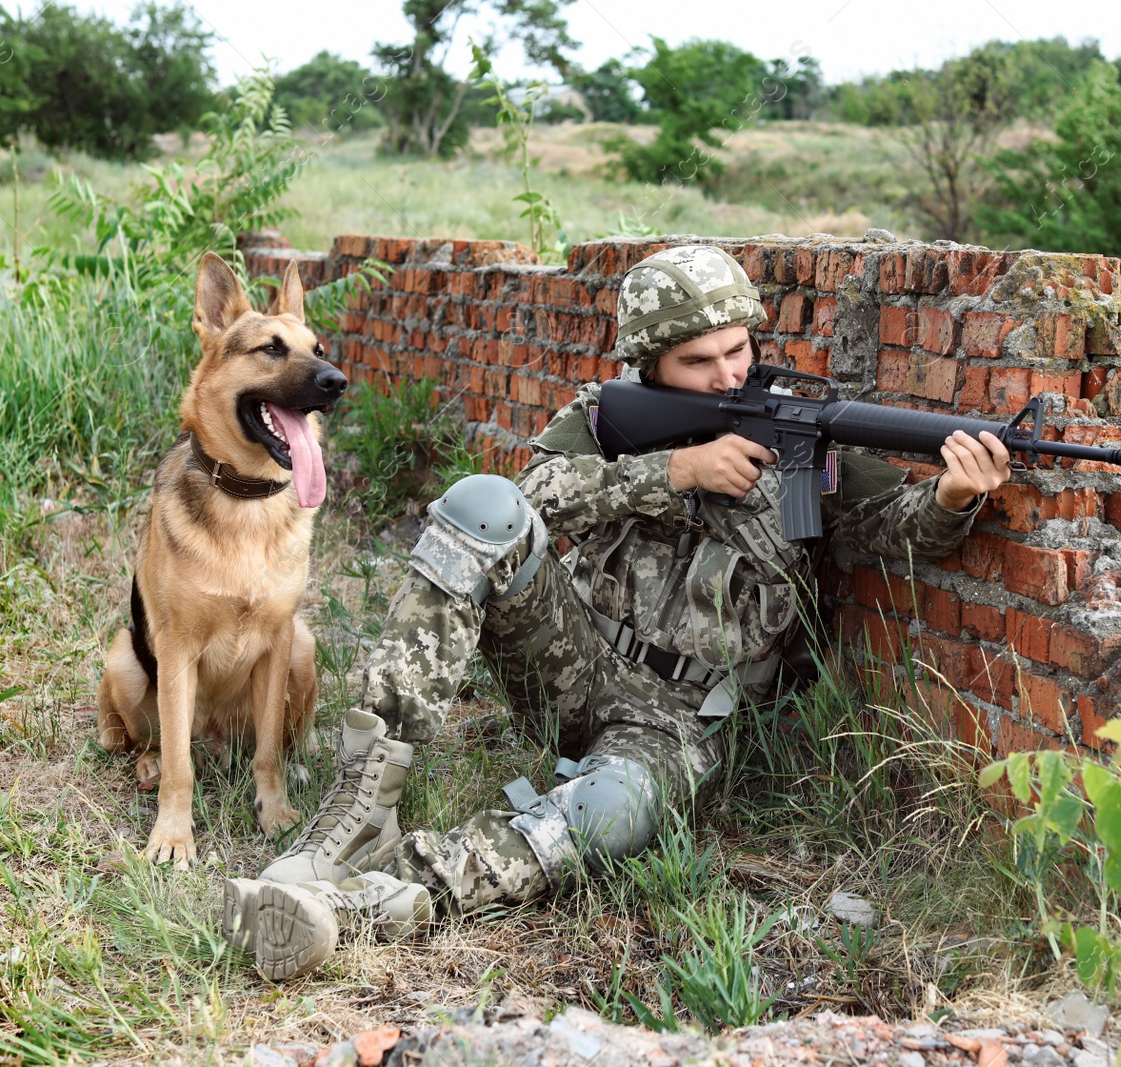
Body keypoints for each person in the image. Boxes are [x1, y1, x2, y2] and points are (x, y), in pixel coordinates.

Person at [221, 245, 1012, 980]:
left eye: (737, 350)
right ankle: (361, 809)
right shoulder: (610, 419)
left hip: (678, 723)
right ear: (650, 364)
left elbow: (890, 531)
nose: (727, 375)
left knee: (611, 810)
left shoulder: (807, 433)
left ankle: (367, 903)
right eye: (697, 361)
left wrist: (950, 496)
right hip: (574, 664)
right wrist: (671, 470)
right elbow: (525, 499)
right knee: (479, 506)